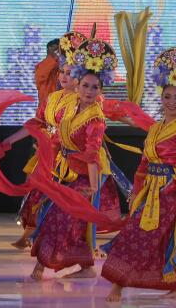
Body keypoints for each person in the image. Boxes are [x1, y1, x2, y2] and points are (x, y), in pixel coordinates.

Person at [102, 47, 176, 300]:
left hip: (171, 190)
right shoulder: (156, 128)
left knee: (147, 236)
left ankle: (122, 286)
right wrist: (136, 193)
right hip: (150, 190)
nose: (172, 102)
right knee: (137, 234)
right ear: (161, 97)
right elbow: (143, 164)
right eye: (168, 97)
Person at [26, 36, 120, 281]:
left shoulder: (95, 118)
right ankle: (85, 267)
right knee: (66, 221)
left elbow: (92, 155)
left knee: (58, 219)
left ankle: (41, 268)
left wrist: (93, 187)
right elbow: (59, 138)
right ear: (78, 86)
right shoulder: (70, 107)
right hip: (66, 172)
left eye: (95, 87)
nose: (89, 91)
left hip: (85, 177)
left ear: (101, 90)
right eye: (86, 86)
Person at [0, 32, 82, 249]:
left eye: (69, 71)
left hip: (72, 157)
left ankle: (77, 248)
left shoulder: (82, 100)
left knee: (63, 200)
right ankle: (31, 237)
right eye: (62, 71)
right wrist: (10, 139)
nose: (64, 75)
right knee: (38, 193)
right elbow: (38, 122)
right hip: (48, 151)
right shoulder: (52, 96)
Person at [35, 38, 62, 107]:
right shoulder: (42, 65)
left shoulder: (61, 65)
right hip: (46, 106)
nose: (57, 52)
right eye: (56, 49)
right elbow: (41, 78)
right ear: (49, 48)